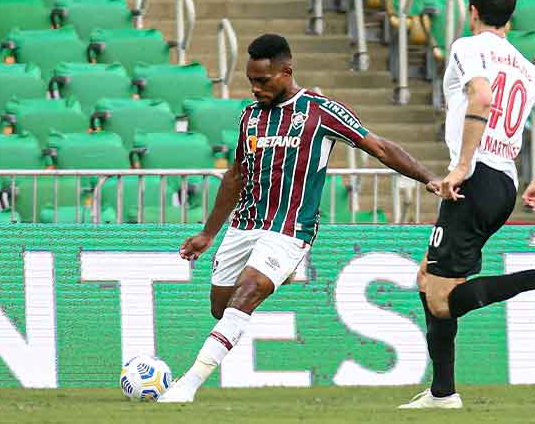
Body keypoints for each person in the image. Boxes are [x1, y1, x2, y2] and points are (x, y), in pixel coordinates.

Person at [158, 33, 441, 404]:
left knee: (246, 295)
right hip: (245, 225)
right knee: (221, 307)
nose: (256, 89)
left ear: (286, 71)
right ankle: (281, 273)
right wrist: (208, 234)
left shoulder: (321, 111)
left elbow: (379, 147)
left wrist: (429, 178)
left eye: (263, 81)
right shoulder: (249, 117)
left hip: (290, 229)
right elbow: (236, 175)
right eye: (251, 82)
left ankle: (187, 385)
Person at [398, 0, 535, 410]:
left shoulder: (467, 47)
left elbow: (481, 98)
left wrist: (461, 166)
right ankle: (442, 393)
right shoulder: (528, 69)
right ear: (510, 18)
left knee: (441, 302)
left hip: (475, 180)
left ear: (472, 11)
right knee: (427, 279)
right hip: (505, 185)